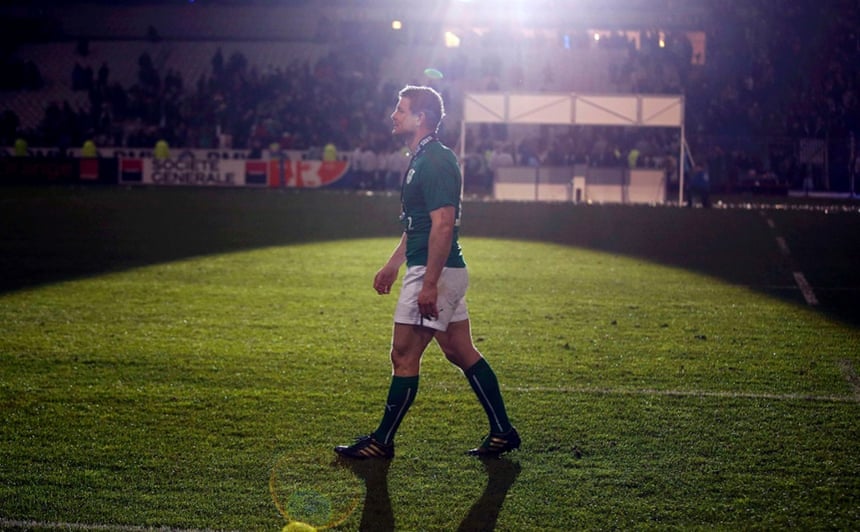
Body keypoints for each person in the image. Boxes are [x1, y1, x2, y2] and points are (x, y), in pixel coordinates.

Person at [335, 85, 520, 459]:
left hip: (435, 272)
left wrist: (429, 283)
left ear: (420, 118)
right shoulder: (422, 157)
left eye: (400, 110)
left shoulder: (435, 160)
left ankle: (381, 441)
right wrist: (393, 262)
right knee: (459, 349)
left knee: (403, 355)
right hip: (438, 268)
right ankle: (502, 431)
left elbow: (443, 224)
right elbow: (420, 224)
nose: (394, 115)